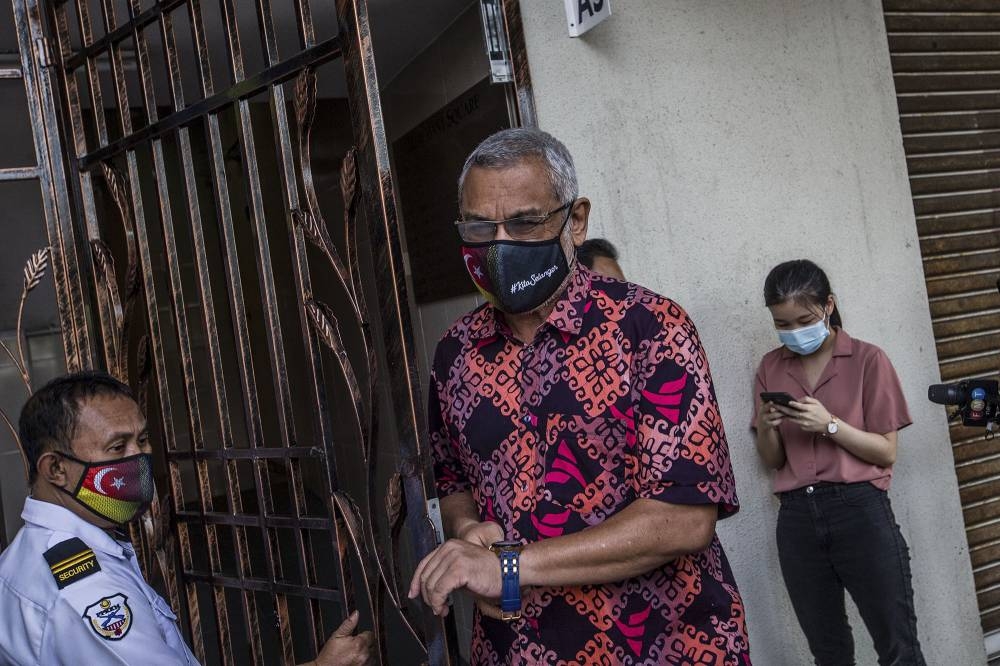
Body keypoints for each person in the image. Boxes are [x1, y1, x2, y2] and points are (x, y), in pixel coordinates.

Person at [408, 128, 748, 665]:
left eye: (524, 223)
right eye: (480, 227)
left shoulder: (649, 327)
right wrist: (469, 530)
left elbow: (684, 519)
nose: (500, 245)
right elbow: (454, 482)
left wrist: (510, 568)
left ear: (577, 220)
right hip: (518, 649)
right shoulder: (455, 353)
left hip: (664, 645)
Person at [0, 371, 372, 666]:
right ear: (56, 469)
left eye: (142, 440)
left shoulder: (27, 555)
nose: (139, 458)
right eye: (117, 447)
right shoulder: (84, 592)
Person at [751, 260, 924, 666]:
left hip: (859, 510)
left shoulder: (867, 359)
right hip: (796, 519)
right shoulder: (770, 367)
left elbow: (886, 451)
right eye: (782, 324)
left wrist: (829, 424)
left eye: (803, 320)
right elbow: (774, 460)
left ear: (828, 305)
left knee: (898, 648)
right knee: (829, 655)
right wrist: (767, 425)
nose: (793, 332)